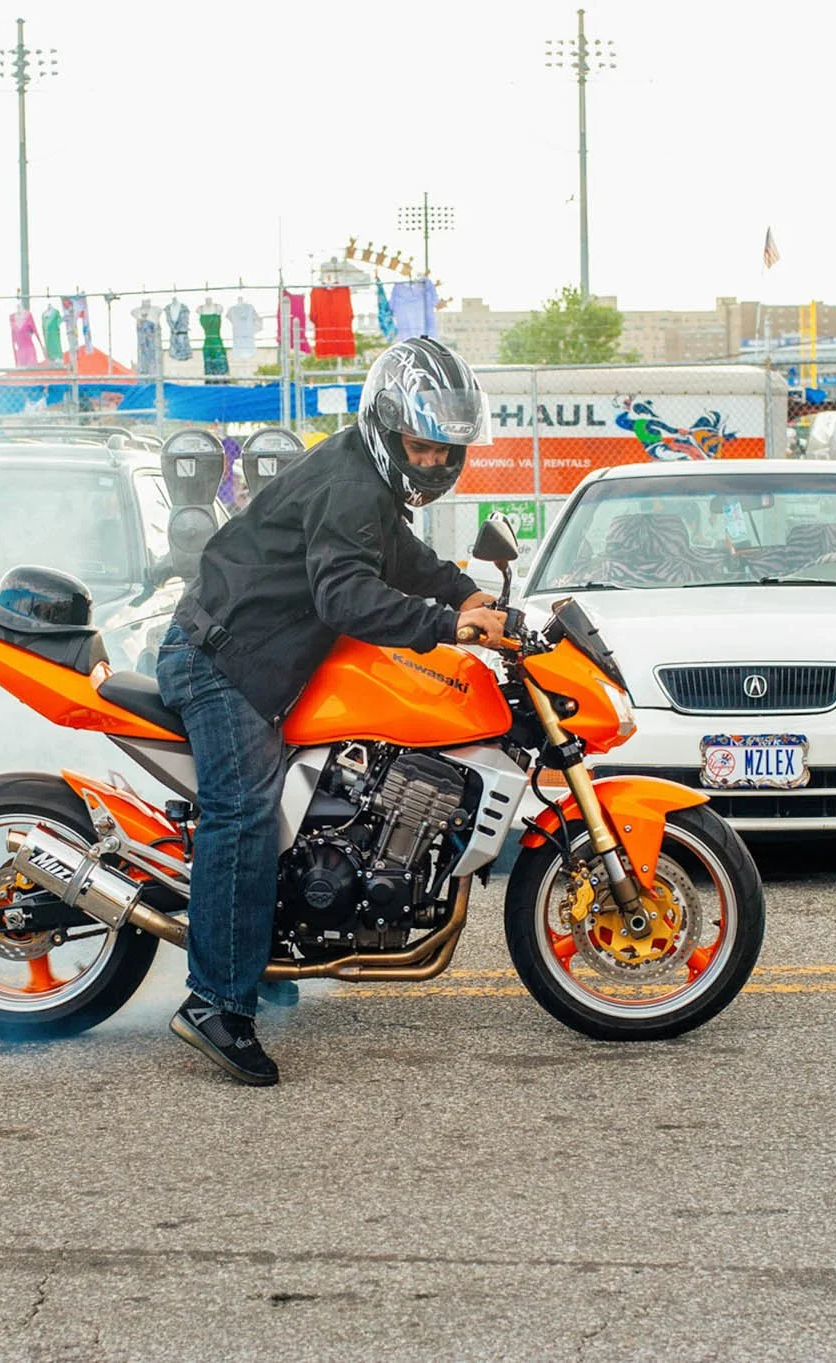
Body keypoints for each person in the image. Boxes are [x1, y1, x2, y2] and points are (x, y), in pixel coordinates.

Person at [156, 337, 507, 1087]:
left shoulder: (364, 479)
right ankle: (216, 1001)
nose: (436, 464)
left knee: (316, 797)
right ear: (385, 426)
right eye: (424, 445)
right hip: (222, 661)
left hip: (261, 655)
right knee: (244, 809)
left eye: (449, 450)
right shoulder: (352, 482)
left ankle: (266, 949)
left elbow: (396, 554)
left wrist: (462, 591)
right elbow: (344, 594)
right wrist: (449, 626)